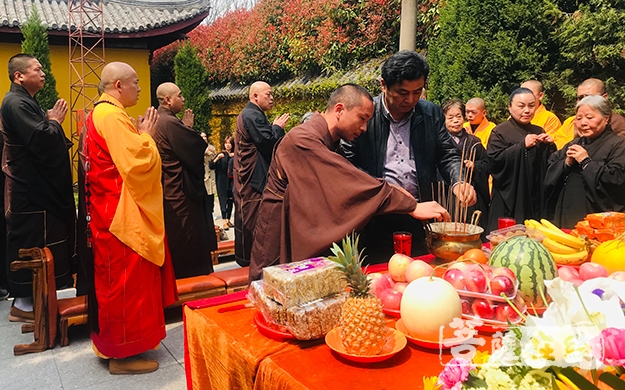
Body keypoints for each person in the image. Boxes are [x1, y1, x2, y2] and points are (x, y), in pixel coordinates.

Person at [249, 84, 450, 281]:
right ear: (339, 109)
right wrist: (410, 206)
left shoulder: (325, 140)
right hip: (278, 235)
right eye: (362, 119)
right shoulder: (302, 140)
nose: (364, 128)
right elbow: (347, 182)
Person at [83, 62, 177, 374]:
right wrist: (148, 137)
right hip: (120, 218)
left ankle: (113, 345)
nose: (139, 87)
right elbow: (137, 164)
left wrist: (138, 135)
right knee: (126, 286)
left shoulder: (106, 113)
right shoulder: (110, 115)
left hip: (110, 211)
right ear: (118, 85)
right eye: (135, 82)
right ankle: (122, 356)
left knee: (116, 284)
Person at [341, 51, 475, 262]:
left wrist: (459, 180)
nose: (410, 99)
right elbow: (350, 169)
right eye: (402, 92)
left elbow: (447, 153)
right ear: (383, 85)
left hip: (421, 214)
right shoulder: (365, 115)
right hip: (377, 216)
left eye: (417, 92)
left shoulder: (430, 113)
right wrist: (393, 195)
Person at [1, 54, 75, 322]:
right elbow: (41, 140)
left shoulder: (25, 101)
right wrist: (54, 122)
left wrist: (51, 123)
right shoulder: (15, 102)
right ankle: (22, 303)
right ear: (19, 76)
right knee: (29, 244)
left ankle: (37, 297)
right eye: (38, 69)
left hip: (34, 187)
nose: (44, 73)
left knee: (42, 241)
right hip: (26, 191)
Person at [153, 82, 216, 279]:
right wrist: (189, 131)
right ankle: (194, 285)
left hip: (169, 189)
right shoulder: (169, 122)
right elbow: (194, 150)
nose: (183, 99)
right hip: (180, 192)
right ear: (167, 100)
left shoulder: (161, 121)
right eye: (179, 96)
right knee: (188, 242)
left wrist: (186, 129)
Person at [545, 96, 625, 228]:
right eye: (579, 118)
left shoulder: (618, 145)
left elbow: (618, 180)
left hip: (596, 219)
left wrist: (587, 162)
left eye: (589, 117)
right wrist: (566, 164)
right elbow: (550, 166)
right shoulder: (574, 143)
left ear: (606, 118)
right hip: (567, 213)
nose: (583, 123)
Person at [233, 81, 289, 266]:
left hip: (251, 179)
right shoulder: (252, 115)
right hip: (254, 182)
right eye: (268, 94)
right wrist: (278, 127)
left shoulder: (253, 114)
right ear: (255, 96)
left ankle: (254, 261)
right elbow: (268, 143)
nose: (272, 98)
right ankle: (256, 264)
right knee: (257, 224)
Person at [487, 88, 556, 232]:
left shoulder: (539, 131)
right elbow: (494, 162)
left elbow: (548, 165)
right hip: (509, 197)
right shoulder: (500, 132)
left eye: (531, 106)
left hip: (534, 196)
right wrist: (521, 146)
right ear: (510, 107)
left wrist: (550, 146)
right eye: (521, 106)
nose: (527, 110)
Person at [442, 100, 490, 233]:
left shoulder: (474, 142)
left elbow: (487, 164)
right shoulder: (440, 142)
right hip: (447, 196)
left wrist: (475, 166)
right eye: (450, 118)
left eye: (459, 116)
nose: (455, 121)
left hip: (471, 195)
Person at [554, 78, 625, 149]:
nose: (584, 101)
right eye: (580, 98)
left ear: (604, 98)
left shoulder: (619, 124)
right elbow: (557, 145)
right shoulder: (571, 121)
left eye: (589, 97)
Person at [211, 136, 235, 230]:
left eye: (229, 143)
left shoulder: (235, 154)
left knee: (231, 200)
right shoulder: (221, 154)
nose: (227, 145)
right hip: (222, 181)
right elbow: (211, 166)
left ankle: (228, 219)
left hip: (232, 181)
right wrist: (217, 159)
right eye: (226, 143)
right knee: (223, 200)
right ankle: (224, 220)